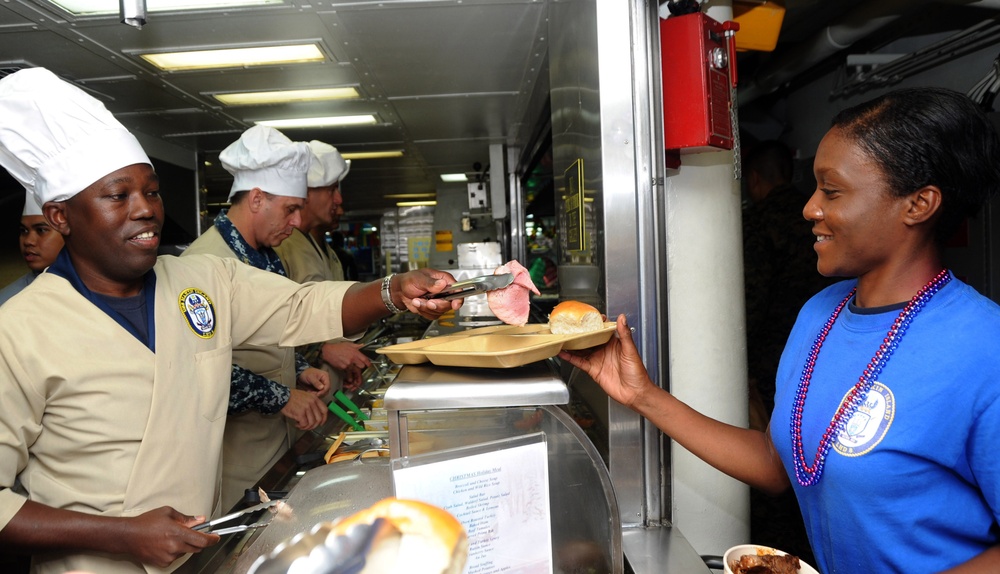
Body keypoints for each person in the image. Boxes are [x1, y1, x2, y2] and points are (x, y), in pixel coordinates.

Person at [0, 67, 460, 574]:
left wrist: (393, 292)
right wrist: (124, 535)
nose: (147, 210)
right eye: (118, 196)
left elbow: (300, 306)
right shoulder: (19, 329)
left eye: (151, 193)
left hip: (202, 552)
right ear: (60, 216)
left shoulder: (202, 279)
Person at [561, 87, 1000, 573]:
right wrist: (641, 395)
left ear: (918, 204)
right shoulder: (820, 313)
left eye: (831, 191)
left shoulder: (984, 350)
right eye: (813, 187)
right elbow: (775, 465)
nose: (810, 208)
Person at [181, 125, 334, 511]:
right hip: (237, 463)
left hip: (276, 445)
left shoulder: (266, 254)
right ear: (257, 198)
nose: (298, 222)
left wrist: (298, 368)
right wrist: (282, 396)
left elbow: (260, 331)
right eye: (291, 209)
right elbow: (194, 369)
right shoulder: (203, 264)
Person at [274, 141, 370, 392]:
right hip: (299, 397)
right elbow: (269, 327)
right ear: (306, 192)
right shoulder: (281, 245)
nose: (339, 200)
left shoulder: (322, 248)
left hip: (327, 393)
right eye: (331, 189)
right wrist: (322, 351)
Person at [0, 191, 64, 306]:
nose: (28, 241)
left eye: (41, 230)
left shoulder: (99, 287)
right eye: (23, 231)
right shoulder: (8, 303)